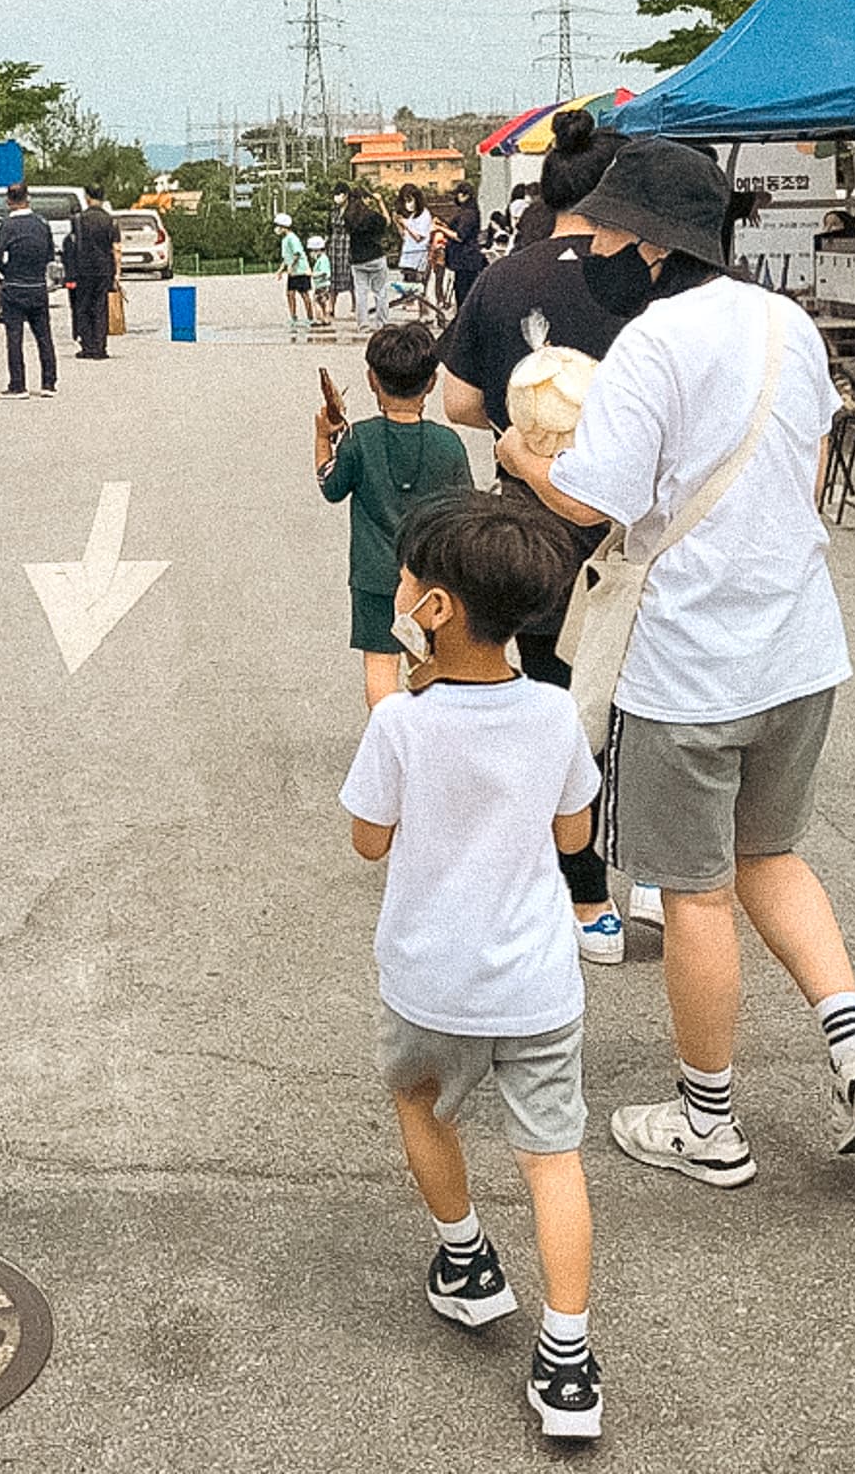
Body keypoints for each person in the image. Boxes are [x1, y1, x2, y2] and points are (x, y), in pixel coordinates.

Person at [499, 138, 855, 1185]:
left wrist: (517, 460)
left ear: (645, 241)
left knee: (694, 893)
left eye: (597, 232)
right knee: (770, 855)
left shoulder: (651, 344)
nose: (582, 247)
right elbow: (808, 465)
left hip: (687, 664)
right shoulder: (784, 323)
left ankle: (706, 1120)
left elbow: (591, 502)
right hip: (798, 644)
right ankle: (853, 1042)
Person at [340, 492, 606, 1441]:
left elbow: (370, 841)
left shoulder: (401, 725)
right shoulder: (551, 713)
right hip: (536, 982)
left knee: (421, 1106)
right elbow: (574, 830)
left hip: (430, 979)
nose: (401, 588)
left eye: (411, 579)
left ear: (439, 608)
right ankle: (568, 1362)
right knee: (553, 1157)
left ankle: (465, 1262)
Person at [436, 110, 638, 960]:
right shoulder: (658, 283)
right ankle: (666, 882)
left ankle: (585, 897)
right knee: (651, 706)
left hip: (536, 531)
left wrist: (524, 433)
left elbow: (457, 401)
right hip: (639, 528)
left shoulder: (505, 279)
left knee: (560, 709)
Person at [316, 322, 472, 709]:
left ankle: (387, 745)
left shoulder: (359, 438)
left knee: (380, 666)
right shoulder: (448, 444)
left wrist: (323, 438)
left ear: (372, 379)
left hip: (372, 577)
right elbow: (465, 512)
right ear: (432, 382)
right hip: (431, 579)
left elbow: (330, 487)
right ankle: (426, 744)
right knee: (425, 662)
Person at [0, 183, 58, 398]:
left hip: (14, 286)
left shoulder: (7, 226)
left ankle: (18, 385)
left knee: (14, 337)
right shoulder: (41, 224)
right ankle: (48, 383)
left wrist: (9, 272)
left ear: (8, 201)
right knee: (44, 336)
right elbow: (50, 254)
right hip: (38, 286)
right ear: (28, 198)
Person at [66, 186, 121, 360]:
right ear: (103, 198)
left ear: (87, 197)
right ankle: (100, 347)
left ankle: (87, 346)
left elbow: (72, 245)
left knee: (83, 307)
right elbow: (116, 249)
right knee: (100, 307)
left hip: (83, 269)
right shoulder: (110, 220)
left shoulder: (79, 220)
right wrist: (117, 273)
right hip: (104, 269)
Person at [345, 186, 394, 330]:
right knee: (380, 292)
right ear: (365, 199)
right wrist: (380, 202)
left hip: (357, 260)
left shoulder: (348, 217)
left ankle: (363, 324)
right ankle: (382, 323)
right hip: (375, 257)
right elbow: (387, 221)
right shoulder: (372, 216)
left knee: (361, 293)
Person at [440, 183, 485, 313]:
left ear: (466, 195)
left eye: (458, 194)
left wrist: (441, 229)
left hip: (466, 259)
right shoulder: (466, 212)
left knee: (464, 292)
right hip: (462, 260)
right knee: (460, 290)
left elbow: (460, 236)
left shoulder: (469, 214)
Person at [275, 211, 313, 330]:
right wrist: (281, 270)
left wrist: (291, 266)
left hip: (300, 270)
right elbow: (287, 257)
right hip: (293, 272)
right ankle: (293, 317)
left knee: (304, 294)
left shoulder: (292, 238)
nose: (277, 229)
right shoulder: (284, 240)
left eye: (278, 226)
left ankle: (310, 317)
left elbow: (297, 254)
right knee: (290, 293)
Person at [394, 185, 433, 297]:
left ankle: (423, 310)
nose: (408, 204)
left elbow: (418, 238)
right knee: (407, 285)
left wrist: (405, 224)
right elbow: (405, 236)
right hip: (408, 255)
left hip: (418, 255)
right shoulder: (412, 216)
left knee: (418, 288)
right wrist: (398, 223)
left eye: (410, 200)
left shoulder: (424, 215)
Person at [307, 234, 334, 324]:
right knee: (324, 302)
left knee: (317, 302)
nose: (311, 253)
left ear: (317, 250)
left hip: (321, 285)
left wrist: (313, 274)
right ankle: (325, 318)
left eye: (312, 251)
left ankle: (320, 318)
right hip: (323, 285)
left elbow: (324, 272)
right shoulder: (322, 259)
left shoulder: (322, 260)